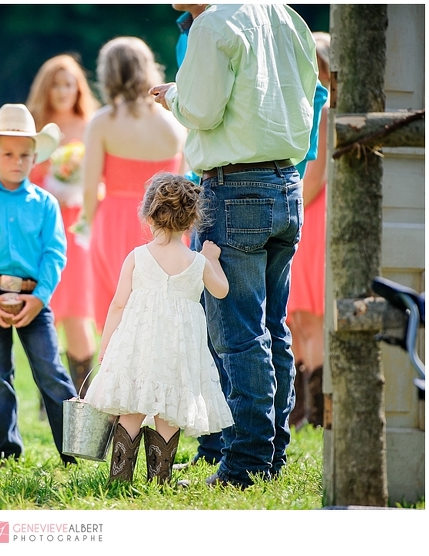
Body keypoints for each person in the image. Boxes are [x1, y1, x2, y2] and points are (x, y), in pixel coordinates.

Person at [151, 4, 318, 488]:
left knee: (239, 335)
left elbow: (202, 110)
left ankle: (244, 463)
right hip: (286, 183)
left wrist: (173, 95)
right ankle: (271, 455)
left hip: (235, 189)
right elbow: (309, 91)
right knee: (272, 329)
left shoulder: (212, 23)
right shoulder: (286, 16)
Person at [84, 172, 233, 484]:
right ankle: (160, 481)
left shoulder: (137, 256)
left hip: (139, 346)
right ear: (191, 221)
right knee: (169, 413)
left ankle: (119, 478)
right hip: (178, 353)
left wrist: (106, 345)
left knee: (131, 408)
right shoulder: (197, 262)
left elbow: (118, 304)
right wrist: (211, 258)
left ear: (148, 215)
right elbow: (221, 290)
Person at [0, 103, 78, 465]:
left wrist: (40, 299)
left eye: (25, 154)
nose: (17, 161)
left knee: (52, 374)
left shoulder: (46, 205)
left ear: (35, 158)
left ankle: (74, 448)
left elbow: (54, 255)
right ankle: (5, 450)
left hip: (34, 301)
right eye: (8, 153)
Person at [82, 37, 187, 334]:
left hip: (114, 220)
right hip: (165, 222)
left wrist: (90, 224)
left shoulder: (102, 122)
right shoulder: (174, 123)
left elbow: (89, 189)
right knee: (162, 310)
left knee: (118, 306)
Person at [26, 54, 101, 399]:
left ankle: (82, 394)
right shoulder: (35, 126)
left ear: (78, 88)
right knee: (46, 305)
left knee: (77, 307)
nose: (61, 90)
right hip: (40, 226)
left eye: (68, 83)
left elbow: (104, 177)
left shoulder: (92, 125)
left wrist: (81, 193)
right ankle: (51, 394)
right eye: (55, 84)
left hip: (79, 228)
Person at [288, 32, 332, 429]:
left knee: (310, 318)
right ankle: (301, 406)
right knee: (297, 317)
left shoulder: (325, 111)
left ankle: (316, 412)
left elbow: (314, 178)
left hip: (312, 215)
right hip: (305, 211)